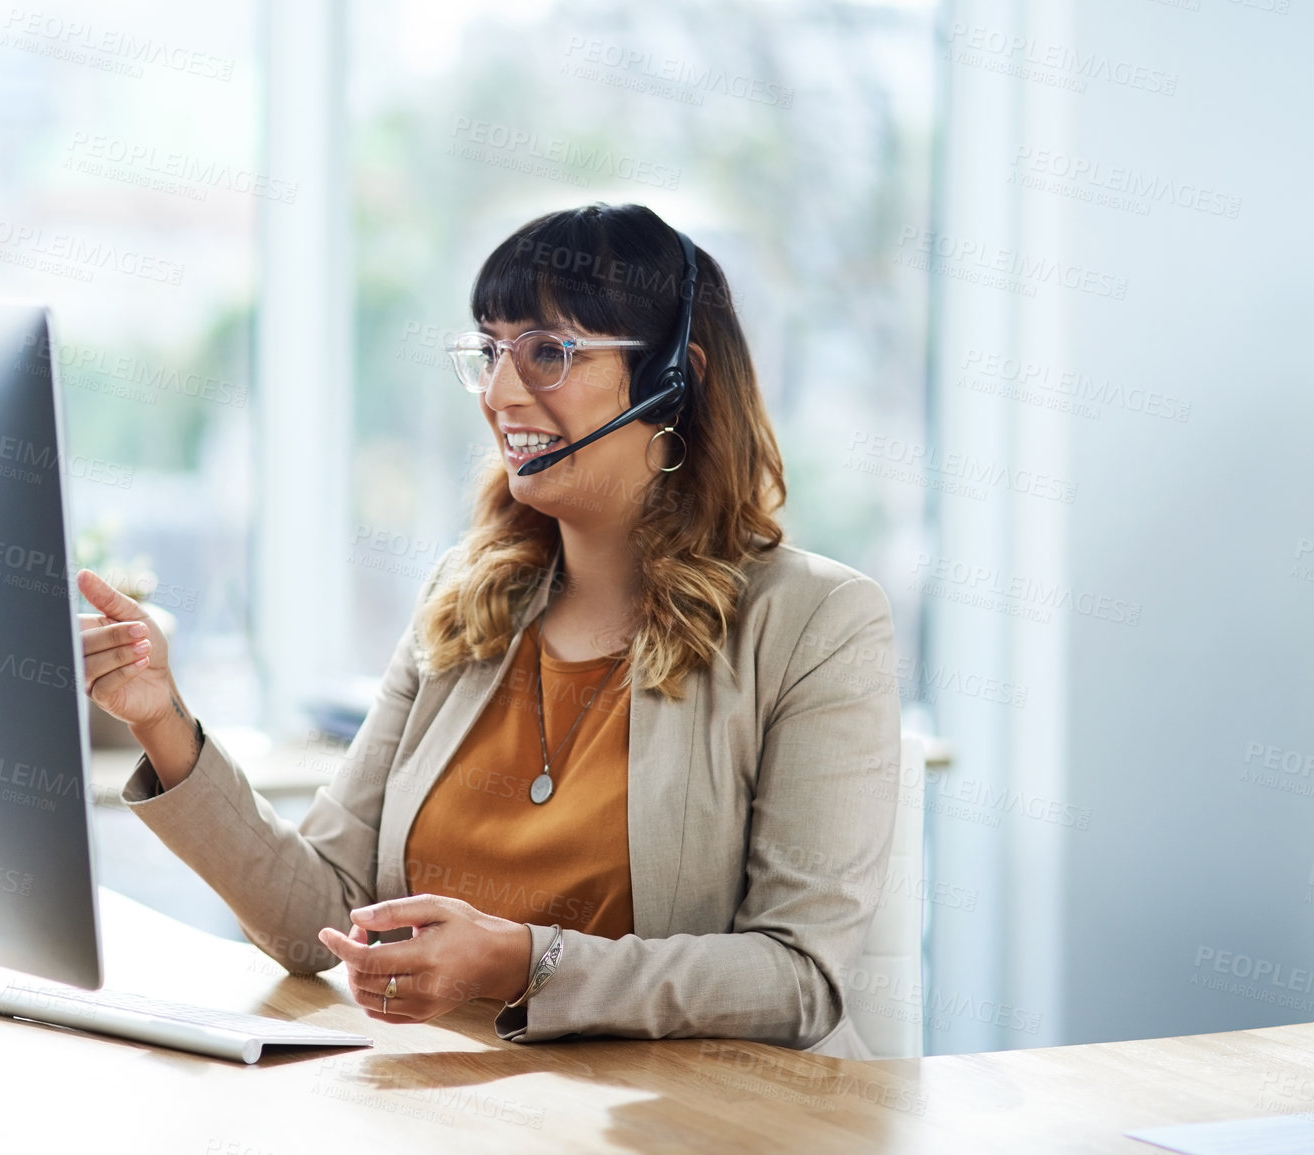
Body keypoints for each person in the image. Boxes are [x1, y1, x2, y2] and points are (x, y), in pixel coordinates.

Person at [76, 202, 901, 1058]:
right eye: (491, 351)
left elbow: (797, 979)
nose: (502, 393)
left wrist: (521, 962)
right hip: (452, 1107)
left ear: (673, 379)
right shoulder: (468, 602)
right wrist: (160, 719)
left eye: (548, 352)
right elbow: (313, 915)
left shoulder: (814, 622)